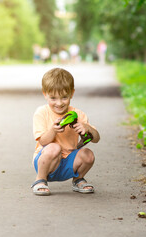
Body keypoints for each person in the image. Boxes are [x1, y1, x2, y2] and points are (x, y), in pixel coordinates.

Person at [31, 68, 100, 196]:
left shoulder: (78, 114)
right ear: (44, 94)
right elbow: (43, 141)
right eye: (53, 98)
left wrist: (88, 128)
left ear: (71, 94)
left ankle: (78, 179)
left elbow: (96, 139)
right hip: (47, 162)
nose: (59, 103)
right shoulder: (41, 113)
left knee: (88, 154)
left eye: (64, 97)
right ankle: (40, 180)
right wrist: (53, 130)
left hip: (69, 162)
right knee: (53, 148)